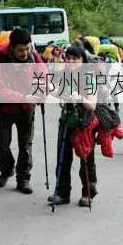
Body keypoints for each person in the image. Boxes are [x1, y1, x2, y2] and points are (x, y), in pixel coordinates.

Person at [0, 28, 45, 194]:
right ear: (12, 47)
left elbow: (43, 78)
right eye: (21, 50)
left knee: (26, 146)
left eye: (28, 48)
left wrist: (39, 93)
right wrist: (23, 96)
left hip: (27, 110)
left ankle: (24, 178)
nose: (25, 53)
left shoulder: (35, 58)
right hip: (4, 108)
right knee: (2, 144)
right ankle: (6, 170)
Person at [47, 45, 98, 207]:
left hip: (84, 124)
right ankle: (62, 193)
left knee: (85, 160)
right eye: (68, 58)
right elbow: (56, 91)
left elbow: (92, 105)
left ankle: (88, 192)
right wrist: (48, 89)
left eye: (75, 58)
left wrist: (80, 98)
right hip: (66, 122)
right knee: (62, 159)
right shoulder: (63, 75)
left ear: (83, 60)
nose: (71, 61)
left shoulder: (89, 77)